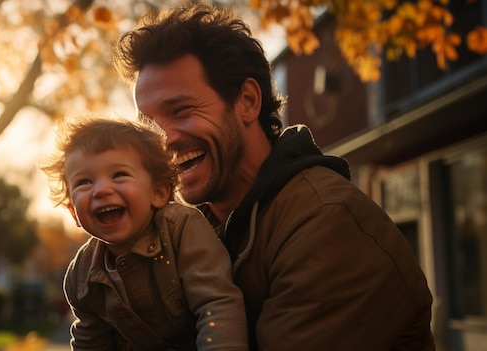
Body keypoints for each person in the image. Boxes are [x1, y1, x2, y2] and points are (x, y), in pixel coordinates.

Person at [112, 3, 435, 350]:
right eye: (148, 126)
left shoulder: (325, 223)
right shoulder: (189, 229)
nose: (163, 141)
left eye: (181, 111)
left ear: (248, 101)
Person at [39, 115, 248, 350]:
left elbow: (216, 305)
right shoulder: (82, 276)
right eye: (84, 182)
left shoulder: (181, 230)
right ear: (74, 213)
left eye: (119, 175)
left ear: (158, 193)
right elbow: (90, 339)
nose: (101, 190)